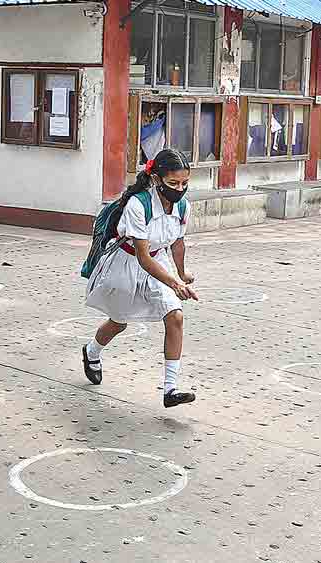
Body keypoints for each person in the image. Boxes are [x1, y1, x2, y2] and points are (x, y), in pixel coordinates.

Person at [83, 149, 199, 408]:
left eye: (184, 183)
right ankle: (91, 351)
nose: (180, 189)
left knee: (176, 317)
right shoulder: (138, 204)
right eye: (173, 183)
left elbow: (177, 243)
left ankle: (170, 390)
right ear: (157, 179)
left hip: (159, 262)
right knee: (119, 322)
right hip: (126, 263)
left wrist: (182, 273)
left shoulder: (183, 206)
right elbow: (143, 257)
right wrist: (175, 283)